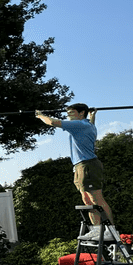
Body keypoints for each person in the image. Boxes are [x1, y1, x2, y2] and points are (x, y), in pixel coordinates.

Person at [35, 103, 116, 241]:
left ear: (81, 113)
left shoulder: (80, 125)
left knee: (97, 198)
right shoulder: (88, 124)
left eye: (72, 113)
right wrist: (92, 116)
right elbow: (90, 123)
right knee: (87, 199)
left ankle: (111, 231)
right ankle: (97, 229)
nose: (69, 116)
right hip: (79, 166)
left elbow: (53, 122)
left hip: (88, 165)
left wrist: (40, 115)